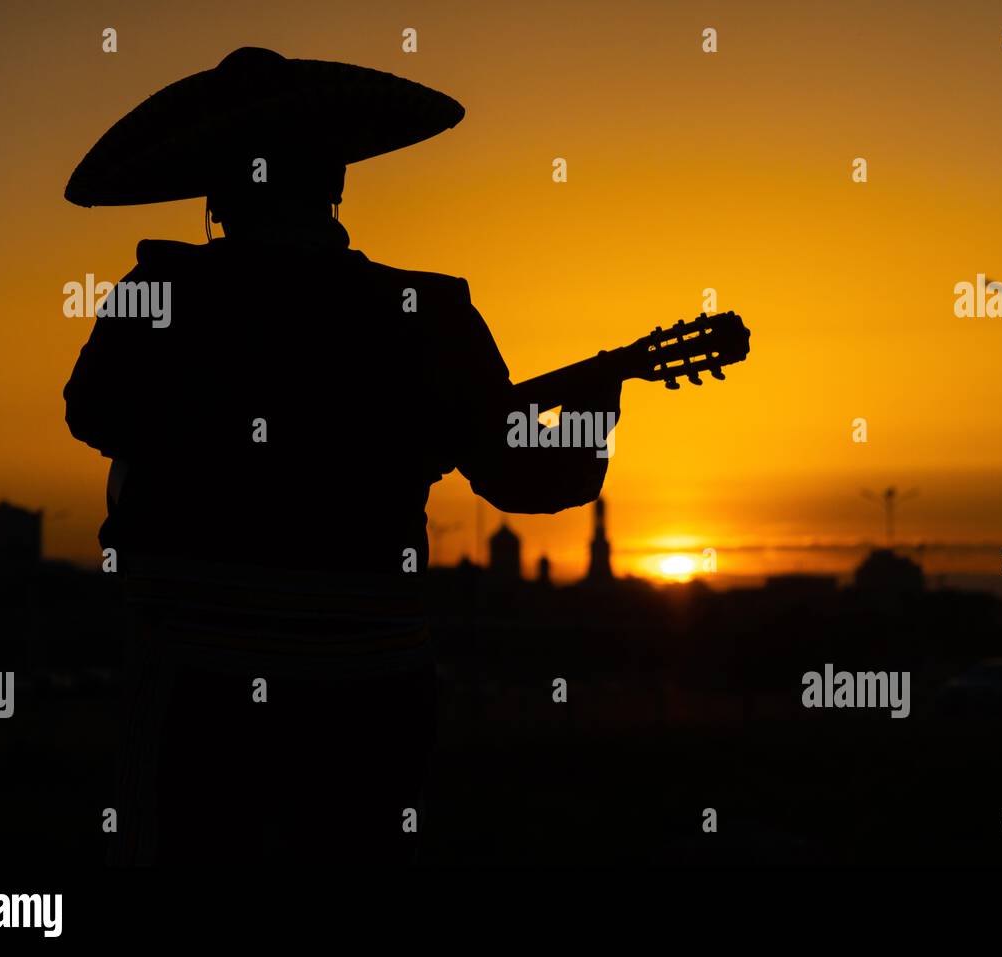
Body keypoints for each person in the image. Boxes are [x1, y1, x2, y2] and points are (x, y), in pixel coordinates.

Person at [62, 47, 621, 864]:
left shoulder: (164, 292)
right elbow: (533, 477)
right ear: (335, 182)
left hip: (198, 681)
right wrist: (601, 397)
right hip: (371, 692)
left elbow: (94, 412)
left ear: (216, 193)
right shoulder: (428, 311)